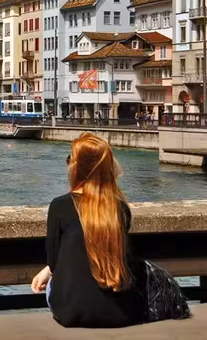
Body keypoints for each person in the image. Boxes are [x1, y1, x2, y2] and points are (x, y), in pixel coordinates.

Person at [31, 133, 147, 328]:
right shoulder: (120, 209)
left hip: (71, 313)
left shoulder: (59, 206)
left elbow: (54, 262)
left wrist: (47, 271)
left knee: (52, 285)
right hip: (120, 313)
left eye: (70, 159)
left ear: (76, 168)